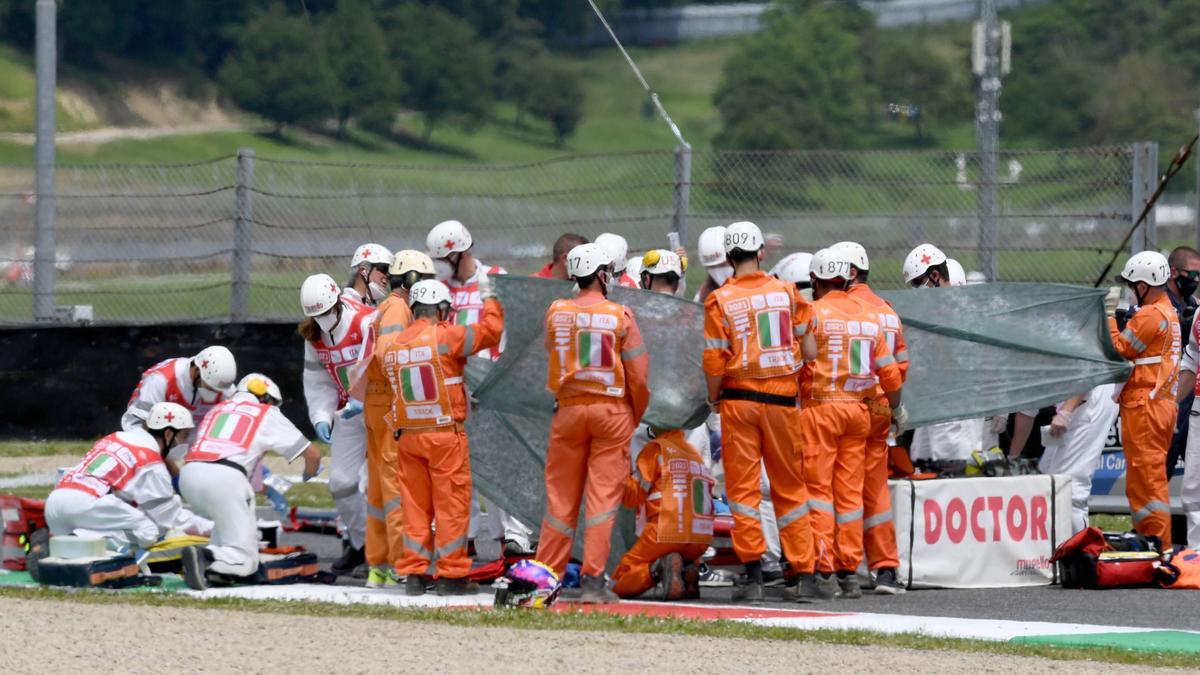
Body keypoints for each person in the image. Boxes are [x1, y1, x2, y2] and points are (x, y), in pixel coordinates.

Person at [702, 221, 815, 604]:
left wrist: (714, 398)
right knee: (790, 488)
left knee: (744, 492)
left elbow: (714, 360)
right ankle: (801, 575)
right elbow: (811, 349)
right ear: (761, 252)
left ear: (729, 258)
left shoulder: (720, 301)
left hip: (739, 401)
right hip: (783, 401)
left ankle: (753, 577)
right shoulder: (786, 292)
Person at [536, 243, 650, 603]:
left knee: (560, 499)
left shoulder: (555, 312)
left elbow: (551, 352)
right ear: (602, 274)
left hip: (568, 410)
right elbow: (640, 376)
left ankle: (546, 577)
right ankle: (592, 582)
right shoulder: (621, 316)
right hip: (612, 412)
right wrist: (634, 413)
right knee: (602, 498)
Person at [382, 279, 504, 596]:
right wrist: (492, 299)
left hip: (408, 438)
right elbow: (491, 332)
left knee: (415, 509)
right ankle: (451, 576)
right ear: (441, 309)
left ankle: (415, 574)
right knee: (451, 506)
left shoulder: (395, 345)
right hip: (444, 436)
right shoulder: (446, 337)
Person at [427, 219, 535, 555]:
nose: (439, 268)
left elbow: (516, 334)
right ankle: (468, 537)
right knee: (461, 467)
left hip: (494, 387)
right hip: (456, 389)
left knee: (503, 464)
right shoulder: (438, 289)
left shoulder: (494, 280)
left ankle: (516, 536)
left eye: (443, 261)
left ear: (459, 254)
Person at [803, 247, 906, 600]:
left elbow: (797, 361)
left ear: (816, 280)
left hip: (820, 410)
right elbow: (892, 372)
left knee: (819, 492)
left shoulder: (812, 313)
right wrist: (896, 408)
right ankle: (853, 571)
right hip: (864, 411)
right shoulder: (875, 315)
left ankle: (825, 570)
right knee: (853, 494)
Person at [178, 374, 323, 590]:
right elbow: (313, 454)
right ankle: (206, 556)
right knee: (247, 560)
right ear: (265, 398)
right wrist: (309, 474)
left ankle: (215, 567)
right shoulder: (267, 412)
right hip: (225, 479)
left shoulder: (218, 409)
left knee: (225, 530)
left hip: (189, 475)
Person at [833, 240, 909, 594]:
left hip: (845, 406)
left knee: (837, 487)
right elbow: (899, 365)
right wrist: (892, 405)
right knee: (875, 488)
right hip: (881, 407)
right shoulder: (887, 310)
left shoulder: (844, 310)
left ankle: (839, 567)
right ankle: (886, 569)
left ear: (847, 272)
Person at [359, 250, 435, 588]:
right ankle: (404, 562)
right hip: (390, 402)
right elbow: (390, 355)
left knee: (379, 489)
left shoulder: (389, 306)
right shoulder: (399, 308)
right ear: (413, 279)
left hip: (378, 402)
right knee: (396, 488)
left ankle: (381, 565)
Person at [45, 402, 210, 551]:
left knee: (129, 519)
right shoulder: (150, 462)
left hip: (55, 504)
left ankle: (63, 545)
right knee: (150, 530)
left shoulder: (114, 437)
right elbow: (170, 517)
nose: (185, 443)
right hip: (87, 505)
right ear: (168, 434)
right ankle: (82, 541)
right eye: (185, 435)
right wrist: (214, 528)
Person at [298, 272, 376, 575]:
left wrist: (366, 396)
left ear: (337, 304)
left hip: (380, 409)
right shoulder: (313, 335)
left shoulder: (365, 320)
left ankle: (392, 550)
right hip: (348, 414)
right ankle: (360, 545)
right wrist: (321, 416)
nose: (322, 320)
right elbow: (317, 380)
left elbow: (382, 360)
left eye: (326, 313)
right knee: (341, 482)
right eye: (315, 316)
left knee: (380, 485)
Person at [1108, 251, 1180, 548]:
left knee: (1148, 479)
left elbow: (1122, 348)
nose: (1129, 290)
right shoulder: (1166, 312)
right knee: (1143, 477)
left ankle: (1157, 545)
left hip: (1146, 406)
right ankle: (1148, 541)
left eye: (1132, 284)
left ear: (1145, 284)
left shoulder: (1152, 314)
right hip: (1156, 404)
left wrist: (1109, 317)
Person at [612, 426, 714, 600]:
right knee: (681, 551)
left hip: (666, 532)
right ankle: (688, 568)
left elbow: (631, 497)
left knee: (617, 581)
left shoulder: (656, 450)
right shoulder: (693, 453)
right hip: (699, 540)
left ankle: (657, 569)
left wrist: (618, 469)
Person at [122, 345, 237, 469]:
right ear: (196, 371)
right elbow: (136, 426)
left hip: (194, 447)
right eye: (210, 387)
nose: (215, 393)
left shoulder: (224, 388)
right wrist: (165, 463)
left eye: (217, 390)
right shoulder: (161, 381)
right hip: (155, 445)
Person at [1037, 385, 1120, 534]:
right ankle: (1059, 549)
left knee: (1070, 488)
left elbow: (1088, 369)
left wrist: (1065, 411)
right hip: (1081, 399)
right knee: (1049, 478)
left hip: (1087, 399)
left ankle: (1077, 551)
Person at [1166, 246, 1200, 485]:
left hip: (1188, 396)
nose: (1195, 280)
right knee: (1163, 460)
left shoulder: (1193, 305)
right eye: (1191, 274)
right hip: (1169, 390)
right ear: (1173, 272)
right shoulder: (1157, 303)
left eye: (1199, 275)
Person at [343, 243, 394, 307]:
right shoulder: (345, 307)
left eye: (389, 272)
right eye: (384, 269)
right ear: (363, 271)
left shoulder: (372, 306)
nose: (387, 276)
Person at [694, 225, 733, 302]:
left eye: (722, 264)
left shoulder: (753, 285)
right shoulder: (703, 295)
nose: (718, 272)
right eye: (712, 267)